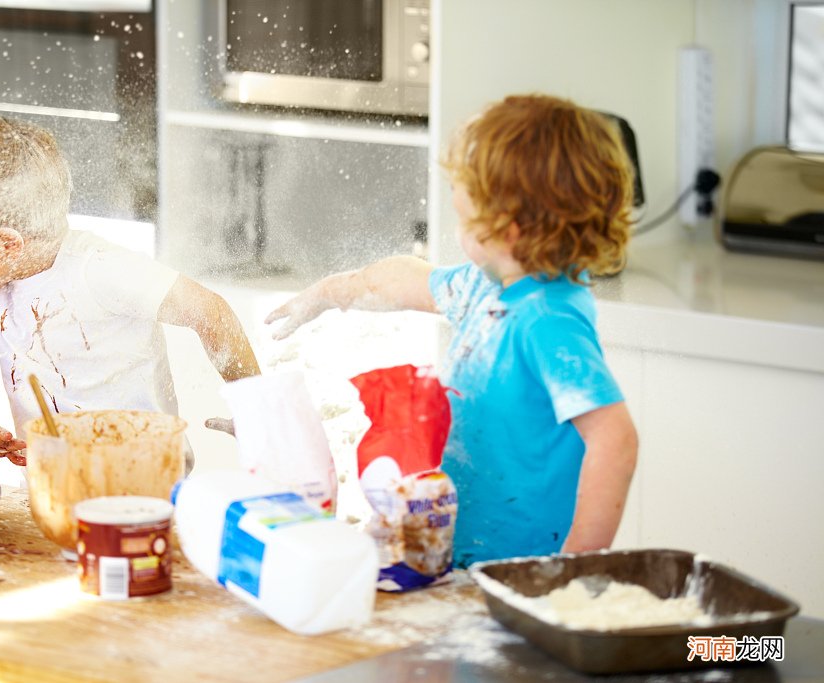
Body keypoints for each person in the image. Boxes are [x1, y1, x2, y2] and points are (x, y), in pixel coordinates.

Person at [266, 94, 638, 566]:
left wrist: (574, 563)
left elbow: (615, 439)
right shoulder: (488, 286)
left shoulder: (548, 320)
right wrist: (329, 293)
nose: (458, 226)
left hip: (523, 567)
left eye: (465, 217)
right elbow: (407, 280)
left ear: (510, 227)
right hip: (464, 548)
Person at [0, 114, 260, 466]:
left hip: (145, 476)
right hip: (57, 480)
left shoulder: (100, 269)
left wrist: (255, 409)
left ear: (5, 245)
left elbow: (209, 311)